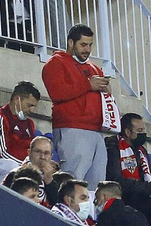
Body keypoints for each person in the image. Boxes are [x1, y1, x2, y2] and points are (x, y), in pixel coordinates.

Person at [44, 24, 115, 185]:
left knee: (95, 188)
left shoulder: (94, 67)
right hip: (72, 128)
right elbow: (57, 93)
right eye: (83, 45)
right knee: (72, 183)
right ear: (71, 43)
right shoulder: (55, 63)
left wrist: (107, 91)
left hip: (97, 131)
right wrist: (88, 85)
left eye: (90, 45)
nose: (87, 49)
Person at [0, 81, 40, 179]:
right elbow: (2, 153)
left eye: (34, 106)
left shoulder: (29, 123)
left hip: (21, 164)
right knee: (12, 167)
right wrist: (27, 165)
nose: (32, 110)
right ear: (17, 99)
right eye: (29, 105)